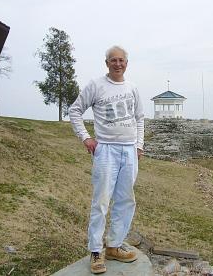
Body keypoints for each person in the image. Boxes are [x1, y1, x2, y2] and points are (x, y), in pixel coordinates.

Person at [69, 45, 144, 274]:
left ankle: (114, 245)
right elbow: (75, 110)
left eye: (121, 60)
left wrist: (139, 145)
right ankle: (95, 251)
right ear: (107, 63)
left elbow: (139, 117)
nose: (118, 64)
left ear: (126, 63)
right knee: (101, 201)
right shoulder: (96, 85)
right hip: (106, 151)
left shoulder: (132, 88)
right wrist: (86, 138)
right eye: (113, 60)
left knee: (126, 200)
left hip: (129, 151)